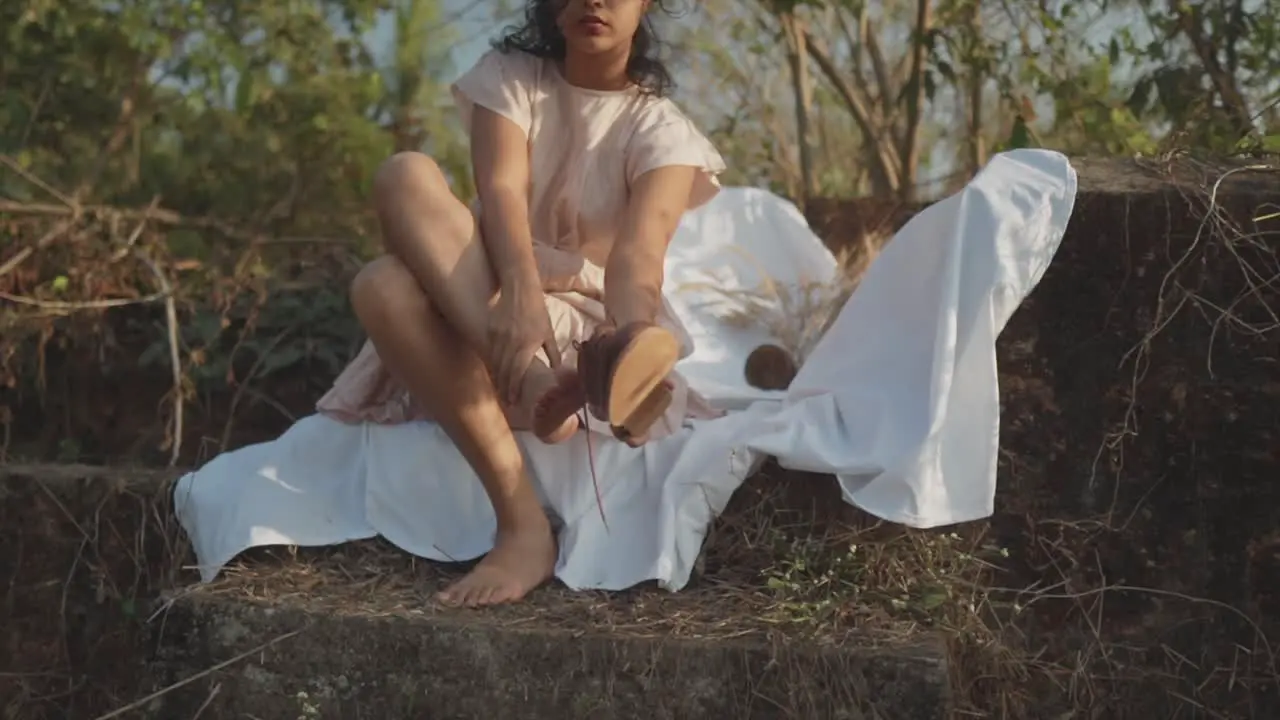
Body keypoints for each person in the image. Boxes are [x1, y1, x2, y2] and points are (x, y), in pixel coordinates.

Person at [315, 0, 726, 608]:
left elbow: (637, 257)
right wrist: (520, 294)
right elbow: (501, 190)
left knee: (381, 282)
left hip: (572, 322)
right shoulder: (511, 77)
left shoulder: (662, 130)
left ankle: (522, 516)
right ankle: (531, 407)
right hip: (494, 299)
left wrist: (632, 340)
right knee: (403, 179)